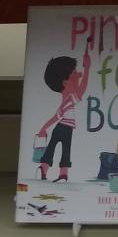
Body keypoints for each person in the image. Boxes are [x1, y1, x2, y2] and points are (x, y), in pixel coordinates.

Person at [34, 42, 91, 182]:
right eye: (74, 74)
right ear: (65, 83)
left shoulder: (69, 99)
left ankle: (56, 171)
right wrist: (87, 68)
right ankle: (47, 169)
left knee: (63, 149)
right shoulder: (68, 101)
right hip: (62, 128)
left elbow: (79, 89)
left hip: (66, 128)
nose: (78, 75)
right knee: (54, 147)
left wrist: (85, 69)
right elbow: (56, 117)